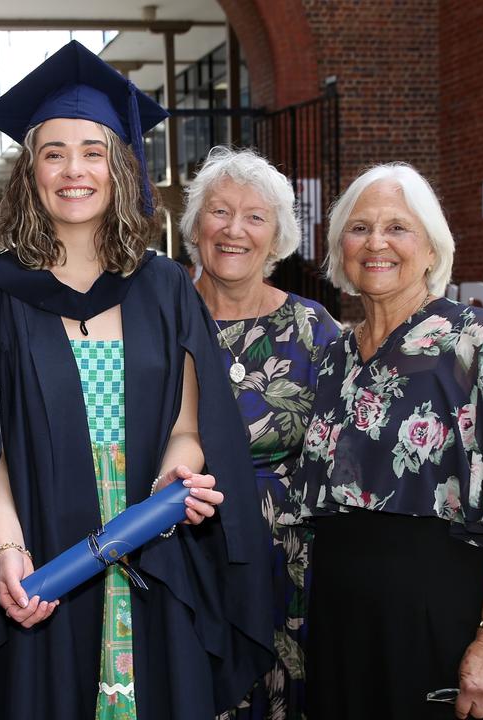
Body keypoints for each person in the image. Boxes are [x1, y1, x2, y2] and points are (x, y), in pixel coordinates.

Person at [0, 41, 274, 720]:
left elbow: (187, 425)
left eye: (92, 150)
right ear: (30, 172)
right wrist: (9, 550)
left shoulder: (165, 287)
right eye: (53, 152)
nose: (73, 169)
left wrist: (174, 479)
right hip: (48, 561)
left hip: (150, 548)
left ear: (119, 167)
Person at [297, 163, 483, 720]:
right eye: (359, 227)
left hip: (439, 611)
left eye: (398, 227)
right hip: (341, 620)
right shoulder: (332, 358)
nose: (376, 243)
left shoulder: (478, 342)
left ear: (431, 247)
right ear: (338, 246)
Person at [180, 146, 341, 720]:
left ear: (277, 238)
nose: (234, 230)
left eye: (255, 217)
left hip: (288, 565)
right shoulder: (157, 319)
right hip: (185, 554)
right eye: (219, 212)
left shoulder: (314, 328)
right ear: (195, 226)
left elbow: (344, 456)